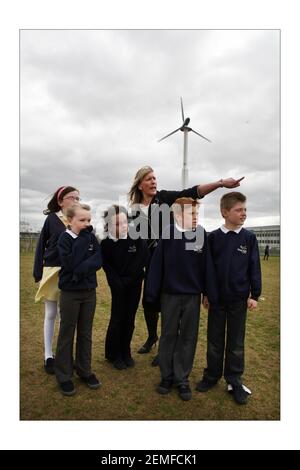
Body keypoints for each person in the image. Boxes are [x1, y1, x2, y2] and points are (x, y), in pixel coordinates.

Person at [128, 165, 244, 365]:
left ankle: (166, 347)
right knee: (149, 303)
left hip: (169, 260)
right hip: (147, 262)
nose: (154, 181)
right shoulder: (134, 210)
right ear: (140, 185)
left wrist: (220, 183)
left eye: (155, 178)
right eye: (149, 179)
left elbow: (192, 192)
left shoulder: (164, 198)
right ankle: (152, 337)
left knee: (169, 306)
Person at [145, 198, 218, 401]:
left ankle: (182, 378)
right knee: (168, 335)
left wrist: (208, 293)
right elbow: (157, 265)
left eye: (197, 214)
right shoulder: (167, 234)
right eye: (191, 214)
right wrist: (152, 293)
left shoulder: (200, 234)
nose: (196, 218)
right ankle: (166, 376)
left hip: (192, 296)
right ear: (178, 215)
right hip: (170, 295)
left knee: (188, 337)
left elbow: (207, 266)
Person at [196, 192, 262, 405]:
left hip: (239, 300)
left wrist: (255, 295)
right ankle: (211, 375)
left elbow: (254, 267)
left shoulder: (249, 238)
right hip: (216, 300)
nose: (244, 213)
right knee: (215, 341)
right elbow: (207, 269)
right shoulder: (213, 238)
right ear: (225, 212)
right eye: (239, 210)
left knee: (235, 343)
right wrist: (206, 294)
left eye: (245, 209)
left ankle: (234, 379)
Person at [55, 203, 102, 396]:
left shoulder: (91, 237)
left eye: (89, 220)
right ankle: (64, 375)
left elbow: (98, 260)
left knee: (86, 333)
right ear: (69, 220)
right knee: (67, 333)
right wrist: (83, 240)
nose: (87, 224)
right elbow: (70, 262)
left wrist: (79, 272)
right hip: (70, 293)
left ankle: (84, 369)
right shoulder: (65, 239)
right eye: (82, 220)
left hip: (89, 292)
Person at [33, 186, 80, 374]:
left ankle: (65, 354)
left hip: (70, 274)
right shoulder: (51, 220)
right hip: (52, 271)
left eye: (78, 197)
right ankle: (48, 355)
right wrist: (38, 272)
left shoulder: (78, 220)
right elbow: (40, 246)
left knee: (66, 316)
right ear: (61, 201)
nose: (76, 201)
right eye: (72, 197)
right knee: (51, 313)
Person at [101, 205, 149, 370]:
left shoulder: (137, 239)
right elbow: (107, 266)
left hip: (134, 285)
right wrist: (117, 282)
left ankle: (125, 350)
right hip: (117, 286)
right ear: (108, 225)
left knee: (129, 319)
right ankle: (114, 353)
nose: (121, 226)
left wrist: (129, 279)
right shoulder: (106, 244)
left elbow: (141, 260)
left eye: (123, 222)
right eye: (116, 224)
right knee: (117, 318)